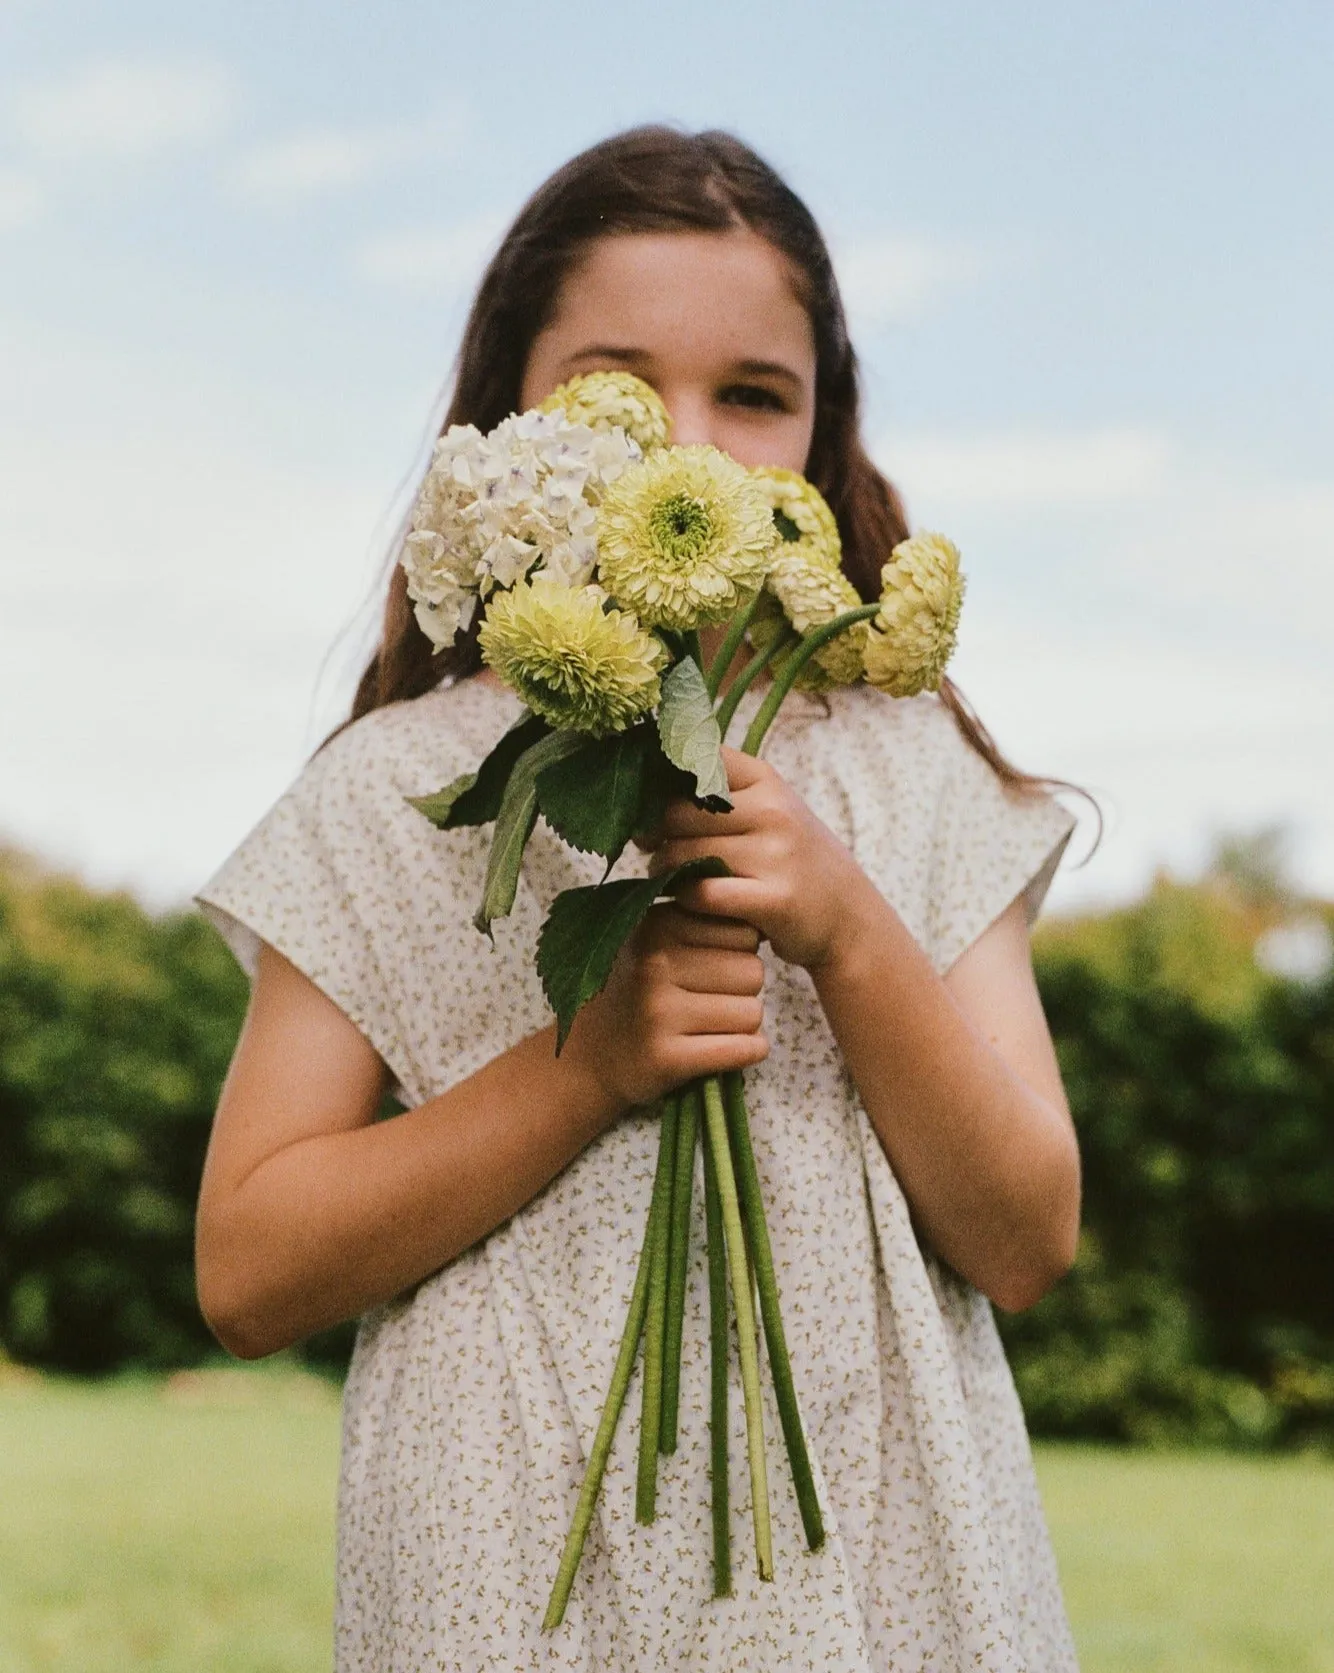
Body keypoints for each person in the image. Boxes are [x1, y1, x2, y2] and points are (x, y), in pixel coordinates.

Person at [195, 126, 1083, 1671]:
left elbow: (1025, 1237)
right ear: (504, 424)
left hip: (878, 1562)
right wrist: (589, 1063)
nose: (689, 445)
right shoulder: (387, 791)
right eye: (614, 389)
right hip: (501, 1550)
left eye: (752, 396)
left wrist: (850, 929)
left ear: (821, 431)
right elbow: (249, 1271)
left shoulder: (913, 767)